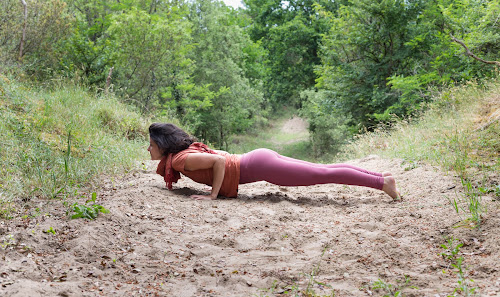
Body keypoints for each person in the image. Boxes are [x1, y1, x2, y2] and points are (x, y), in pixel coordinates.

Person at [148, 123, 401, 201]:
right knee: (323, 170)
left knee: (323, 173)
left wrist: (212, 196)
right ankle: (380, 177)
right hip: (258, 159)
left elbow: (218, 164)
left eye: (151, 144)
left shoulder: (180, 160)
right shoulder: (183, 154)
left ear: (161, 145)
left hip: (260, 165)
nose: (148, 149)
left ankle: (382, 183)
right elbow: (220, 157)